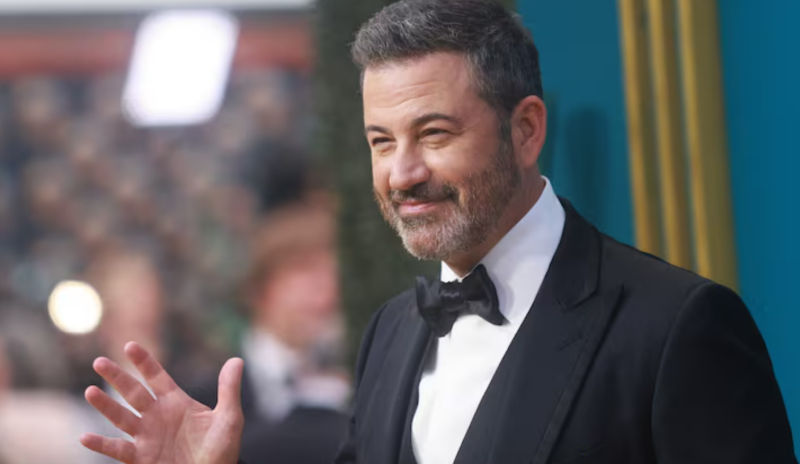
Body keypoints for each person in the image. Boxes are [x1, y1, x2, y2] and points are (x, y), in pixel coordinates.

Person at [79, 1, 798, 463]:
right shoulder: (391, 332)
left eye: (434, 134)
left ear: (526, 130)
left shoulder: (676, 327)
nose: (403, 172)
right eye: (381, 142)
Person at [188, 197, 350, 464]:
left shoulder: (366, 385)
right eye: (304, 269)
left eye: (334, 270)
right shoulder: (204, 401)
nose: (327, 285)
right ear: (260, 290)